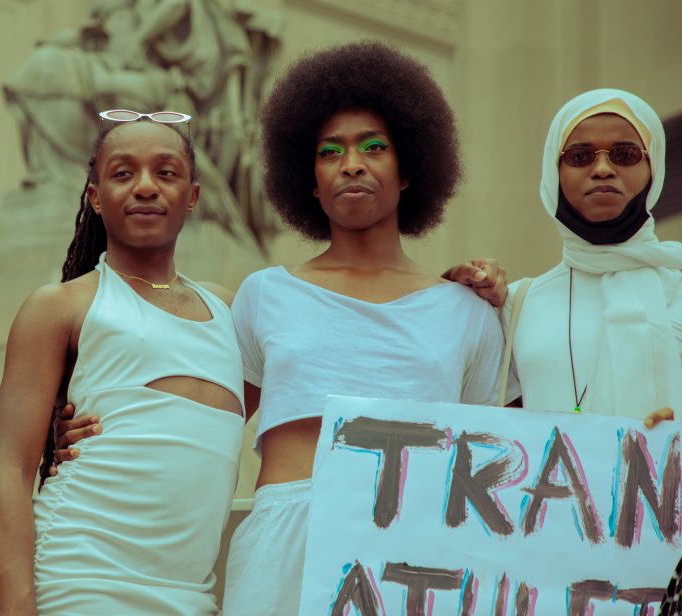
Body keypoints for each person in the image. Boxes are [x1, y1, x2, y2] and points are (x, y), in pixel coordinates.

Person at [51, 42, 515, 614]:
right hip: (284, 550)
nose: (352, 163)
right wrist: (82, 429)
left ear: (409, 170)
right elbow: (204, 415)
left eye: (374, 147)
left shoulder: (469, 311)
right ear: (309, 179)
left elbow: (493, 466)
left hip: (419, 555)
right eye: (330, 152)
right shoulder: (264, 294)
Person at [0, 113, 246, 615]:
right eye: (123, 173)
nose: (145, 186)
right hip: (81, 582)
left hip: (191, 598)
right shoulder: (61, 306)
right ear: (95, 196)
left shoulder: (230, 312)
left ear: (192, 195)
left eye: (165, 172)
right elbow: (8, 471)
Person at [500, 89, 682, 425]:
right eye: (580, 156)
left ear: (653, 167)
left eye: (625, 154)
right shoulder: (515, 305)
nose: (603, 169)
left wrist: (681, 439)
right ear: (554, 173)